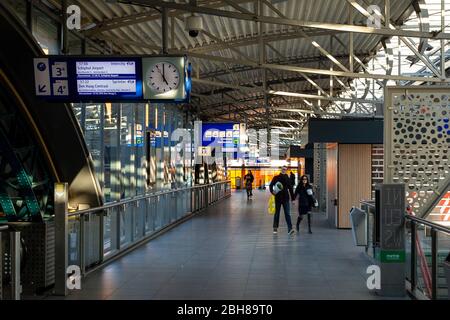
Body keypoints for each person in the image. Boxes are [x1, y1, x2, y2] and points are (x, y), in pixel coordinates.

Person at [269, 166, 295, 235]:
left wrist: (293, 199)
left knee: (287, 214)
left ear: (286, 170)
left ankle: (290, 229)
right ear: (281, 169)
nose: (284, 170)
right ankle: (275, 227)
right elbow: (271, 185)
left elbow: (291, 189)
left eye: (285, 169)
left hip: (286, 198)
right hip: (277, 198)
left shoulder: (288, 178)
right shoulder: (276, 177)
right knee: (277, 213)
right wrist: (272, 191)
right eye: (283, 169)